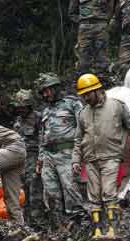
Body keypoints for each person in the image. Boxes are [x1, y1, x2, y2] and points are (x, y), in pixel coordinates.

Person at [71, 74, 130, 241]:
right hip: (90, 159)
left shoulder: (116, 106)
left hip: (111, 156)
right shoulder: (83, 113)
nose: (85, 98)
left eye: (88, 94)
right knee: (93, 197)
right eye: (83, 95)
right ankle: (97, 230)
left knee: (109, 193)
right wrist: (76, 159)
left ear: (97, 90)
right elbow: (77, 139)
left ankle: (112, 229)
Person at [37, 73, 84, 217]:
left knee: (71, 189)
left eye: (48, 90)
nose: (46, 95)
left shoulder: (73, 103)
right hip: (48, 156)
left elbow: (84, 127)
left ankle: (78, 225)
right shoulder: (46, 110)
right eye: (43, 92)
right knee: (50, 192)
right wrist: (40, 159)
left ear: (56, 88)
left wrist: (80, 153)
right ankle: (58, 226)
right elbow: (43, 136)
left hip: (68, 152)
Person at [11, 90, 43, 222]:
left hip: (34, 157)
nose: (21, 110)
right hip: (20, 159)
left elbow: (43, 139)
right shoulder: (18, 121)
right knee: (22, 192)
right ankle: (25, 222)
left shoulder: (38, 118)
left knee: (35, 189)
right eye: (18, 107)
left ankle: (38, 221)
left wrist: (40, 160)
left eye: (23, 107)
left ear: (29, 105)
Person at [70, 0, 112, 78]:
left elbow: (110, 8)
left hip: (101, 25)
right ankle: (83, 79)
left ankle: (102, 79)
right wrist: (82, 21)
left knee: (102, 55)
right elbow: (72, 12)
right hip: (85, 26)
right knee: (83, 55)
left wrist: (104, 20)